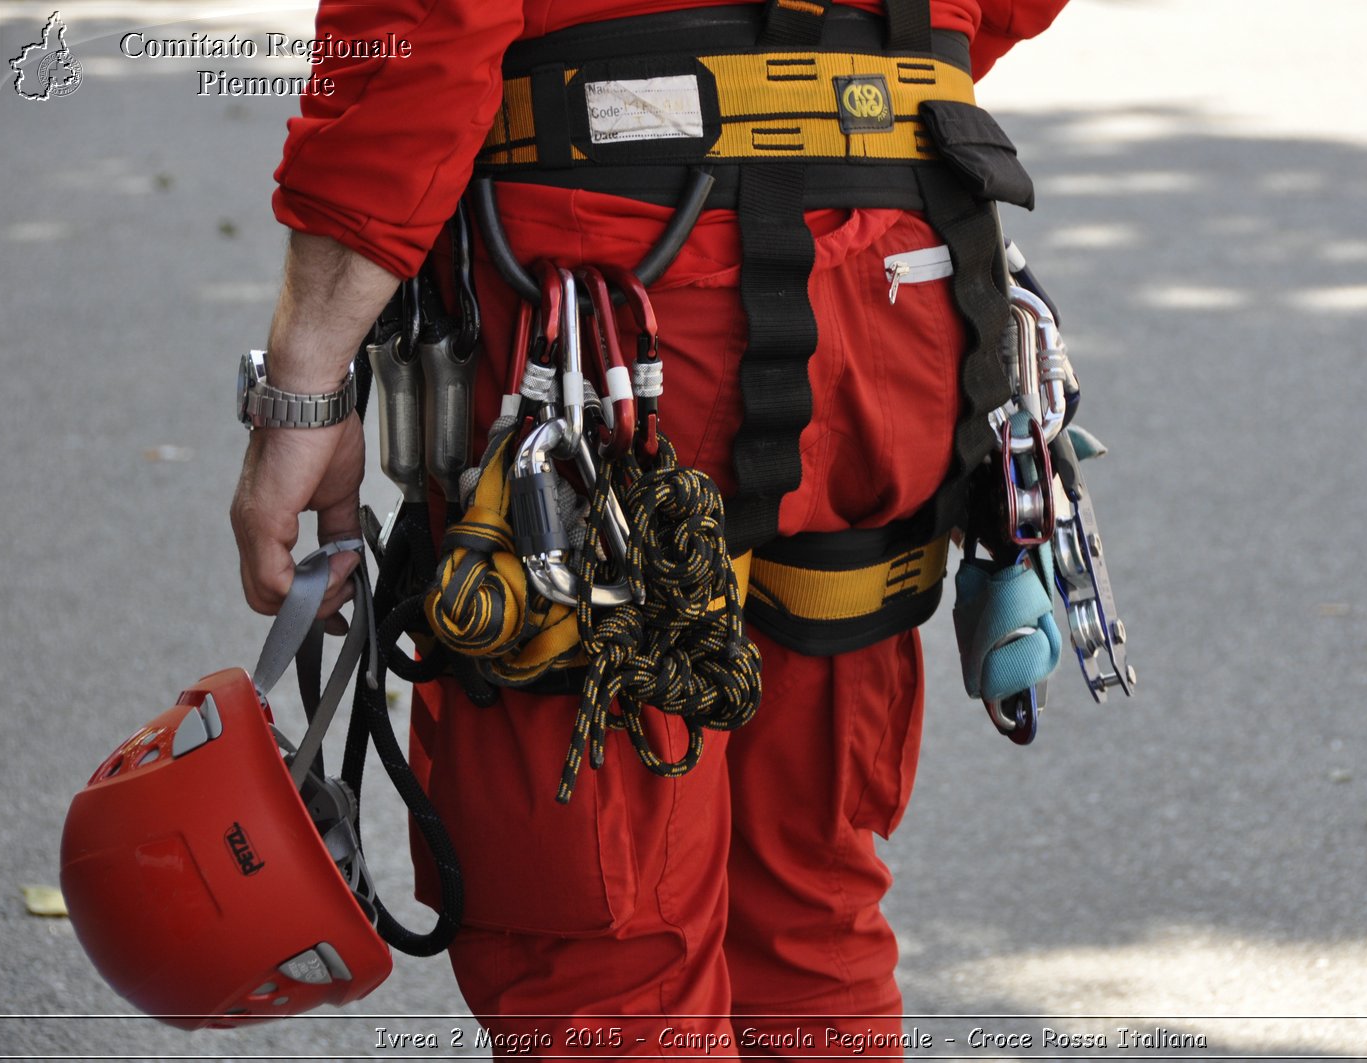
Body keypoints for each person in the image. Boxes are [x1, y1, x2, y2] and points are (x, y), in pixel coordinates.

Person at [231, 0, 1069, 1054]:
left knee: (597, 942)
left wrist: (304, 386)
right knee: (806, 900)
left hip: (626, 302)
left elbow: (422, 33)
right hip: (892, 300)